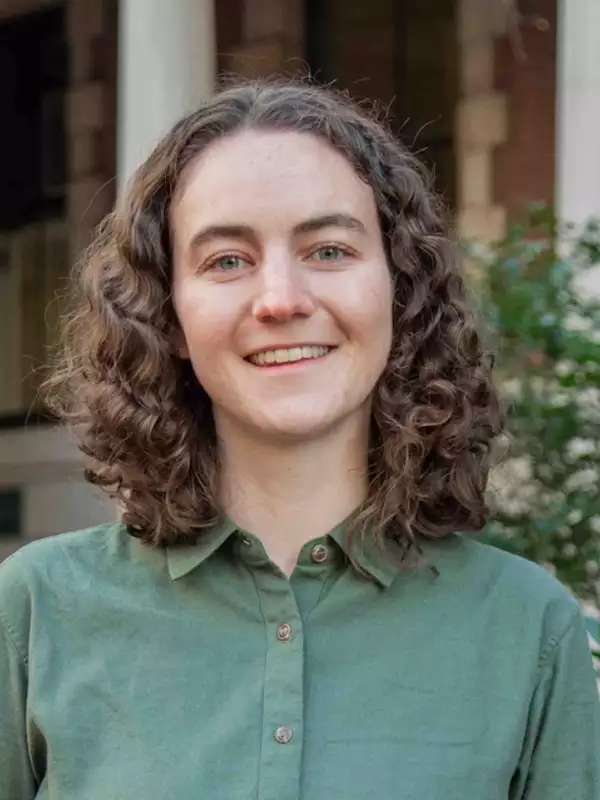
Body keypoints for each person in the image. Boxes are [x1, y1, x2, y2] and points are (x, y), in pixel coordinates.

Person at [1, 77, 599, 800]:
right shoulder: (35, 611)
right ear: (169, 315)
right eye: (227, 260)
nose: (281, 299)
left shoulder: (529, 631)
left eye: (329, 250)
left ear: (397, 290)